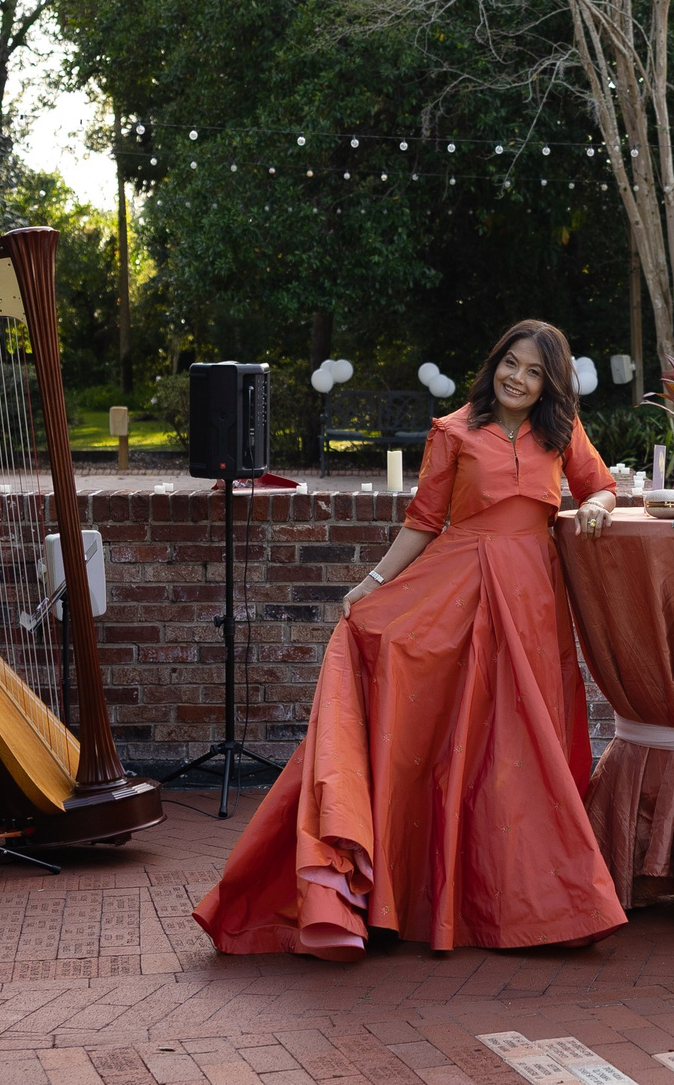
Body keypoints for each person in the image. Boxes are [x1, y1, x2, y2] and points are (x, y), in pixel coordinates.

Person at [192, 319, 626, 959]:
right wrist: (369, 584)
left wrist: (597, 507)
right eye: (512, 363)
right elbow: (423, 523)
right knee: (452, 734)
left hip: (534, 604)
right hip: (461, 591)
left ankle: (543, 904)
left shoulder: (561, 434)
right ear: (494, 361)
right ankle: (401, 896)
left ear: (550, 385)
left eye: (535, 372)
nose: (519, 378)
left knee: (525, 743)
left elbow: (603, 487)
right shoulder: (452, 432)